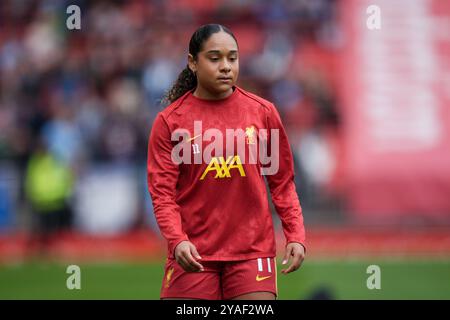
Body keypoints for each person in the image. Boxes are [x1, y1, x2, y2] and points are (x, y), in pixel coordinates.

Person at [147, 24, 306, 300]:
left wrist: (296, 234)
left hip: (252, 253)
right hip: (192, 254)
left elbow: (282, 183)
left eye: (232, 58)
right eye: (214, 58)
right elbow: (162, 195)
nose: (225, 66)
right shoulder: (170, 122)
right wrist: (177, 240)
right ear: (192, 63)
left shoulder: (263, 113)